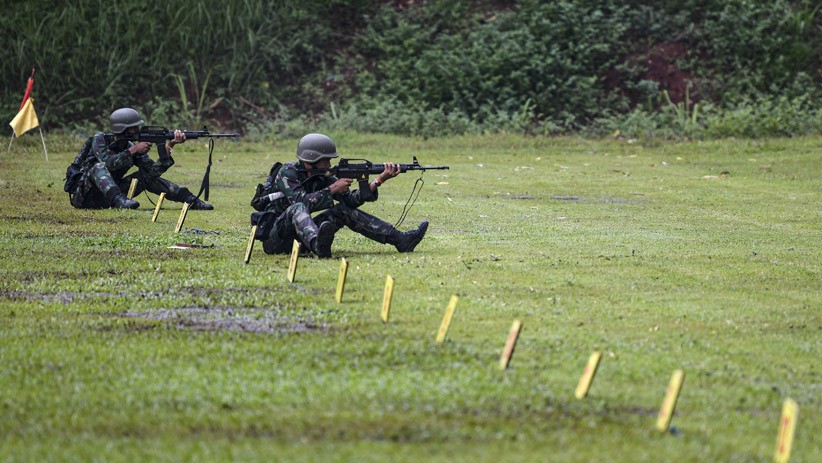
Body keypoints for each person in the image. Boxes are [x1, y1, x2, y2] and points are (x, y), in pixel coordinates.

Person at [252, 133, 428, 258]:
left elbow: (350, 200)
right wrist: (332, 189)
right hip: (276, 240)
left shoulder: (321, 175)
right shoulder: (287, 173)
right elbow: (301, 203)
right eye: (326, 159)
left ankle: (400, 240)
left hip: (302, 238)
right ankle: (318, 246)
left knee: (342, 211)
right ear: (312, 159)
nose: (329, 163)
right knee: (296, 208)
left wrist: (378, 181)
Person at [67, 107, 213, 210]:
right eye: (133, 127)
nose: (137, 130)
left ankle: (190, 200)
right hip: (86, 197)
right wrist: (133, 150)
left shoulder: (132, 146)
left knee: (144, 176)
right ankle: (120, 201)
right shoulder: (100, 140)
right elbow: (108, 164)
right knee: (98, 168)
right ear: (122, 129)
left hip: (110, 197)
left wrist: (170, 146)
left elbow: (152, 172)